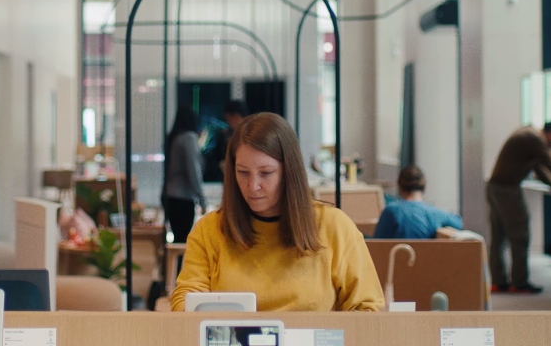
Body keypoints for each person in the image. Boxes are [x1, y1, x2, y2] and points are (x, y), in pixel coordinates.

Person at [170, 112, 384, 311]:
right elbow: (187, 300)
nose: (253, 186)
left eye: (266, 173)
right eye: (243, 173)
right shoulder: (209, 230)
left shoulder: (334, 226)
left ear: (289, 172)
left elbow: (366, 308)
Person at [485, 121, 551, 294]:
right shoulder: (535, 138)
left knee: (499, 237)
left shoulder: (527, 133)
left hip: (495, 187)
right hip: (507, 190)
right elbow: (548, 163)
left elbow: (537, 166)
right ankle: (520, 283)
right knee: (520, 235)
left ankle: (498, 282)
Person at [373, 166, 463, 238]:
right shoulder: (435, 213)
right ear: (424, 187)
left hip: (397, 258)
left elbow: (377, 244)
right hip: (427, 259)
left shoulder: (391, 211)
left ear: (400, 186)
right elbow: (458, 223)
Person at [162, 104, 205, 244]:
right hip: (183, 198)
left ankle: (174, 266)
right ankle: (180, 267)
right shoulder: (188, 138)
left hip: (169, 195)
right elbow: (193, 170)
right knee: (183, 243)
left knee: (177, 240)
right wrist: (202, 198)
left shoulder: (174, 137)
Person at [206, 100, 248, 183]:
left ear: (236, 116)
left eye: (229, 119)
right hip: (228, 178)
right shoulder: (225, 135)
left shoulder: (251, 134)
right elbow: (216, 156)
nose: (229, 123)